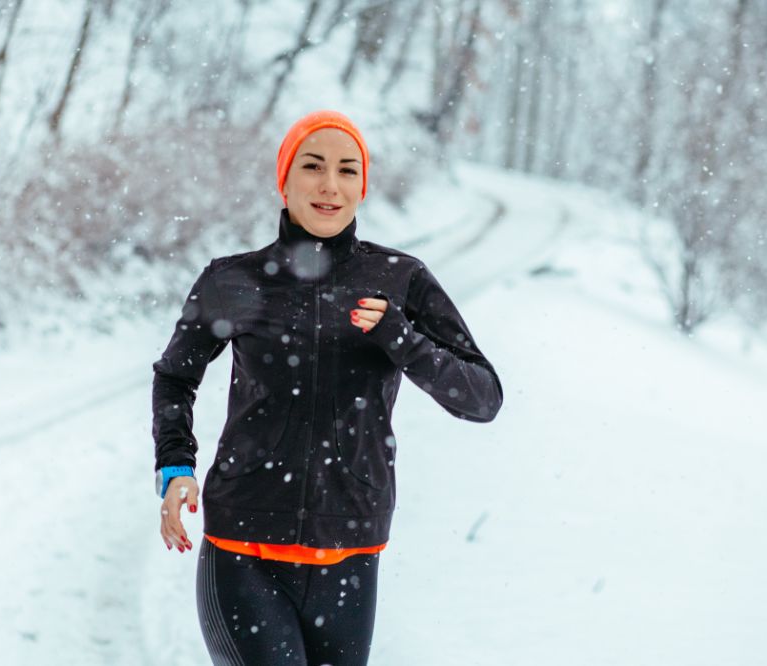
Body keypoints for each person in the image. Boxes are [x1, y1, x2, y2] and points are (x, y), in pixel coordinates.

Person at [151, 109, 503, 665]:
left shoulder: (400, 280)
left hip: (351, 551)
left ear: (363, 185)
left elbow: (482, 398)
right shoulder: (233, 280)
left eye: (347, 170)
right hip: (243, 546)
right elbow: (175, 375)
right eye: (312, 166)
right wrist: (175, 466)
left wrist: (402, 338)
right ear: (284, 179)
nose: (329, 186)